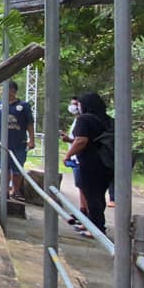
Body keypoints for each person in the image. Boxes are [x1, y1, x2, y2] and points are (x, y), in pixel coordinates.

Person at [63, 92, 114, 237]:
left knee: (92, 197)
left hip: (91, 163)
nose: (77, 107)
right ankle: (93, 224)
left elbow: (81, 140)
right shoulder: (108, 120)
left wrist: (68, 155)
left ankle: (97, 229)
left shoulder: (84, 119)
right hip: (107, 163)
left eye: (79, 104)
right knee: (98, 197)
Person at [60, 96, 89, 228]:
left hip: (81, 158)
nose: (73, 107)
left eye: (76, 104)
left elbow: (81, 140)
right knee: (81, 186)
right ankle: (82, 211)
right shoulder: (77, 120)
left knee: (85, 187)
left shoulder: (84, 120)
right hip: (76, 158)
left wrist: (69, 145)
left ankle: (87, 215)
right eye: (72, 104)